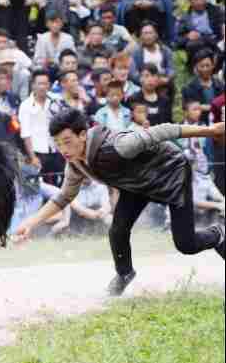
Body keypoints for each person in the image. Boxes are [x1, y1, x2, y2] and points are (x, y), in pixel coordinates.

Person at [15, 108, 226, 296]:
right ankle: (124, 274)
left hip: (170, 173)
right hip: (136, 185)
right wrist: (31, 223)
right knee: (117, 231)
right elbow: (63, 198)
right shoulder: (75, 165)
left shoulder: (119, 146)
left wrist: (211, 130)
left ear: (83, 135)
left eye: (67, 142)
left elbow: (164, 130)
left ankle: (218, 233)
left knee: (186, 244)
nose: (63, 150)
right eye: (58, 144)